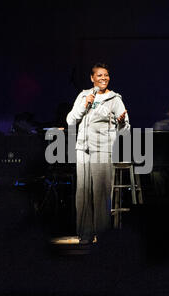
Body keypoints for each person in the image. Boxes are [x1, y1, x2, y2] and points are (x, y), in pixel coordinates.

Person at [66, 63, 130, 244]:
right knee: (83, 192)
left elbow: (125, 130)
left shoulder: (115, 99)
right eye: (100, 75)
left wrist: (122, 123)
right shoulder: (84, 95)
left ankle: (102, 235)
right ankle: (84, 234)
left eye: (106, 75)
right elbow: (70, 119)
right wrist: (83, 105)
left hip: (102, 149)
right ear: (92, 78)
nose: (104, 78)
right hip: (83, 149)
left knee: (101, 193)